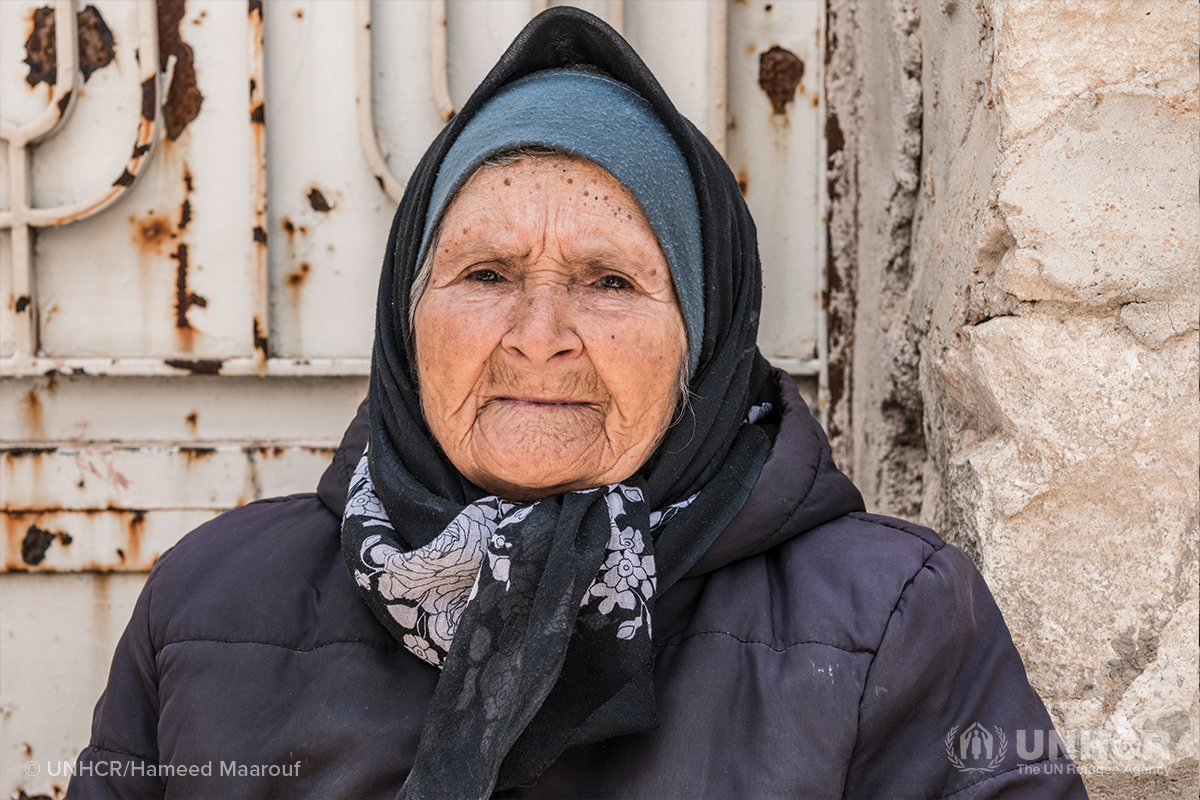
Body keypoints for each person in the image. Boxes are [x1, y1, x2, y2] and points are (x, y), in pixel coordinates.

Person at [67, 8, 1086, 799]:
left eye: (609, 280)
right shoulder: (211, 605)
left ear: (705, 328)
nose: (540, 334)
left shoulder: (891, 621)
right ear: (404, 315)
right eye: (486, 273)